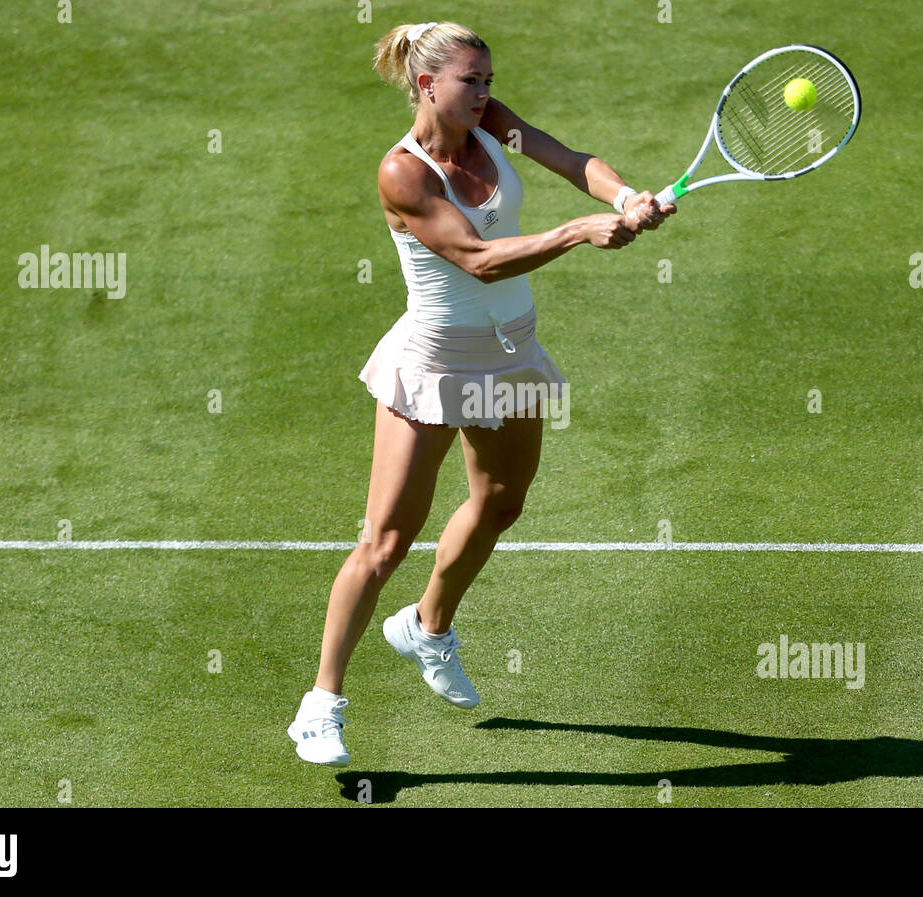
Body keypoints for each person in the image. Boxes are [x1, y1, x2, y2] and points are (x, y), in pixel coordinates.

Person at [288, 20, 675, 766]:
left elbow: (569, 159)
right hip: (435, 365)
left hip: (512, 358)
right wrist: (577, 234)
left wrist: (625, 195)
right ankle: (321, 704)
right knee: (386, 540)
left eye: (489, 80)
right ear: (426, 85)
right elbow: (478, 259)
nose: (487, 95)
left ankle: (428, 628)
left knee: (501, 502)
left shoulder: (492, 126)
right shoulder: (401, 173)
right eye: (472, 81)